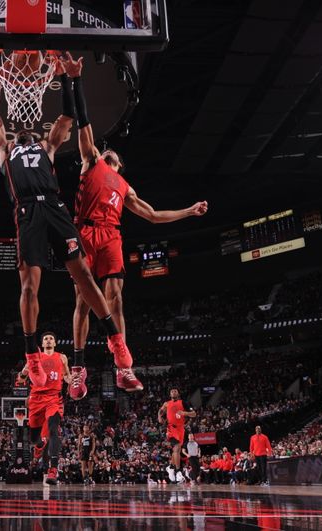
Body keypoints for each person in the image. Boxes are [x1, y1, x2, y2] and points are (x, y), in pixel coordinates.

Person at [0, 53, 135, 392]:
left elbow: (68, 116)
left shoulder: (46, 146)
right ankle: (32, 354)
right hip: (27, 212)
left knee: (83, 275)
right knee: (28, 286)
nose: (22, 128)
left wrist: (70, 78)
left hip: (55, 208)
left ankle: (115, 339)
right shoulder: (5, 150)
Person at [63, 51, 209, 399]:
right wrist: (74, 80)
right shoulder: (92, 161)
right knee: (83, 301)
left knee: (116, 298)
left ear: (120, 166)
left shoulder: (124, 187)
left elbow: (154, 215)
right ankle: (80, 367)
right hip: (84, 231)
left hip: (112, 235)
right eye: (107, 153)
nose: (109, 154)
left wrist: (188, 211)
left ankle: (123, 368)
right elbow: (83, 122)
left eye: (115, 156)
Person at [15, 332, 71, 485]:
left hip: (54, 398)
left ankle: (53, 469)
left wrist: (72, 381)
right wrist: (22, 375)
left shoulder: (62, 357)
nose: (48, 340)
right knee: (34, 439)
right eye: (45, 338)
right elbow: (23, 376)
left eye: (51, 338)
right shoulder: (36, 358)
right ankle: (39, 445)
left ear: (55, 343)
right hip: (36, 399)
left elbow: (66, 376)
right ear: (42, 343)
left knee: (54, 430)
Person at [157, 388, 196, 483]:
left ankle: (171, 467)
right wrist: (159, 417)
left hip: (180, 429)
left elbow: (194, 414)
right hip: (170, 428)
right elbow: (160, 411)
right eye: (171, 391)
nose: (173, 392)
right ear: (170, 394)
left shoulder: (183, 403)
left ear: (178, 393)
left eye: (175, 391)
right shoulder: (167, 403)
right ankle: (178, 471)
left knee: (176, 450)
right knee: (177, 448)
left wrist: (184, 413)